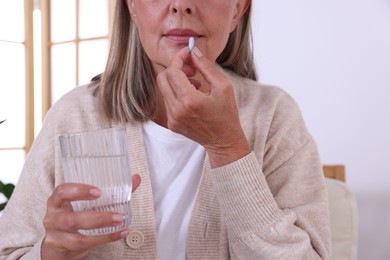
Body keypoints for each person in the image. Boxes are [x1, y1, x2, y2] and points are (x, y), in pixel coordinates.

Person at [0, 0, 331, 259]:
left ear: (237, 9)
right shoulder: (74, 115)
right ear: (132, 6)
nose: (181, 5)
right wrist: (51, 253)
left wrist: (227, 146)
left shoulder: (273, 115)